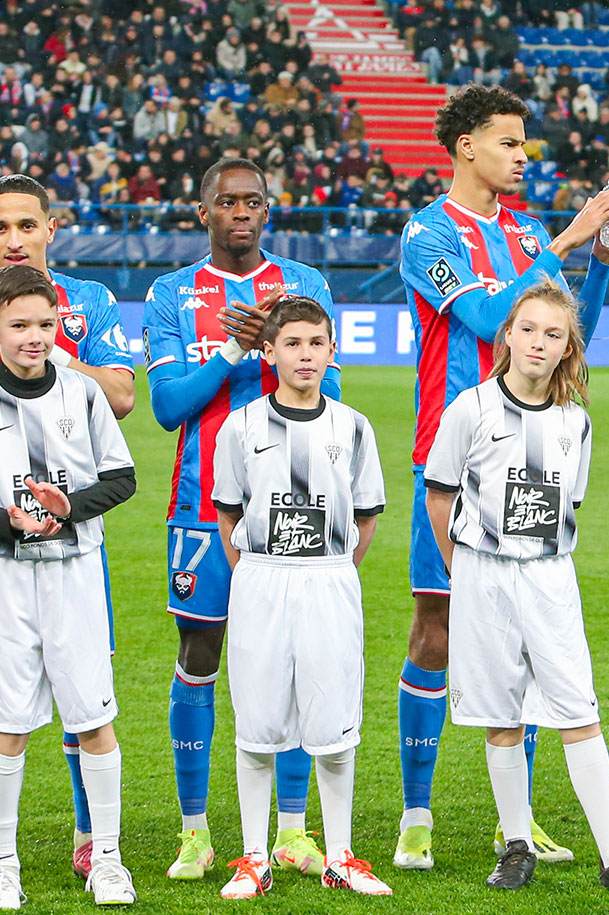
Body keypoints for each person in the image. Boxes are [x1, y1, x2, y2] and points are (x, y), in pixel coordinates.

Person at [395, 84, 609, 870]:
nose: (522, 155)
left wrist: (597, 258)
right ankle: (417, 810)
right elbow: (483, 319)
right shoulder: (428, 234)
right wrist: (566, 240)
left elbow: (577, 329)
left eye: (524, 143)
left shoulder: (528, 231)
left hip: (529, 461)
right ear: (465, 144)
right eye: (508, 142)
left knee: (530, 648)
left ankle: (517, 826)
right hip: (455, 455)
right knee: (436, 630)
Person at [424, 283, 609, 893]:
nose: (539, 342)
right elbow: (439, 493)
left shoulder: (575, 422)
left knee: (577, 708)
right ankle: (516, 844)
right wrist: (459, 570)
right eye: (530, 329)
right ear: (507, 334)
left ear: (568, 349)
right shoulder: (471, 408)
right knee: (500, 716)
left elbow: (572, 501)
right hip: (483, 574)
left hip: (549, 576)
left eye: (554, 334)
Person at [143, 158, 341, 881]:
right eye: (226, 201)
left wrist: (274, 341)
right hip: (201, 507)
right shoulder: (171, 294)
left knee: (288, 662)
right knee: (201, 658)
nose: (240, 212)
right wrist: (235, 349)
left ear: (269, 209)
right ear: (204, 212)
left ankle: (291, 827)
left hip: (289, 504)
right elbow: (168, 407)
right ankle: (194, 828)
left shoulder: (305, 287)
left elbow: (333, 389)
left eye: (252, 201)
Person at [212, 296, 390, 898]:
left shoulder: (354, 426)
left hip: (330, 580)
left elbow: (365, 519)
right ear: (268, 353)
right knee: (257, 725)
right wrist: (259, 573)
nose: (305, 354)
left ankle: (340, 855)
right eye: (291, 343)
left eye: (316, 343)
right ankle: (253, 858)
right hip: (261, 578)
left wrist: (328, 569)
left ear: (332, 351)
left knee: (335, 723)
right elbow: (228, 512)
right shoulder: (240, 427)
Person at [0, 174, 135, 880]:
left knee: (87, 692)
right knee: (6, 708)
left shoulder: (90, 303)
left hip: (72, 541)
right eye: (1, 229)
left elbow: (120, 394)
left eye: (26, 224)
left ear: (50, 229)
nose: (14, 239)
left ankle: (95, 841)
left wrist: (40, 346)